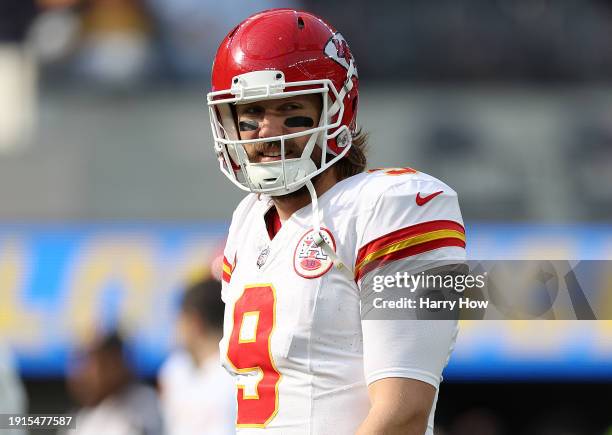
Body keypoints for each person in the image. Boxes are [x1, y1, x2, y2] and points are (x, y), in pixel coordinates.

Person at [206, 8, 466, 434]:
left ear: (336, 110)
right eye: (251, 114)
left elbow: (403, 414)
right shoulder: (248, 220)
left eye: (292, 111)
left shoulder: (399, 205)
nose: (268, 131)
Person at [158, 277, 235, 435]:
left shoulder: (236, 374)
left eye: (179, 319)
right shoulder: (173, 371)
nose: (175, 328)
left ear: (195, 322)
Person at [63, 332, 163, 435]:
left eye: (90, 364)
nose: (81, 374)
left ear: (115, 364)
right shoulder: (81, 420)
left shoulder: (145, 403)